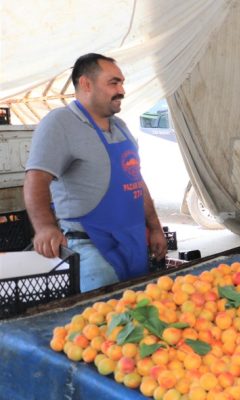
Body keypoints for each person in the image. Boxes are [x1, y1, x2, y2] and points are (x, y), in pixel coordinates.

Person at [24, 53, 167, 292]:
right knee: (102, 321)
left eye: (122, 82)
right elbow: (35, 179)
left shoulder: (120, 126)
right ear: (86, 84)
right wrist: (45, 227)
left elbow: (135, 181)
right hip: (93, 249)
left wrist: (154, 227)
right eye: (113, 82)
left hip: (132, 244)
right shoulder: (60, 123)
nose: (122, 90)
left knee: (137, 319)